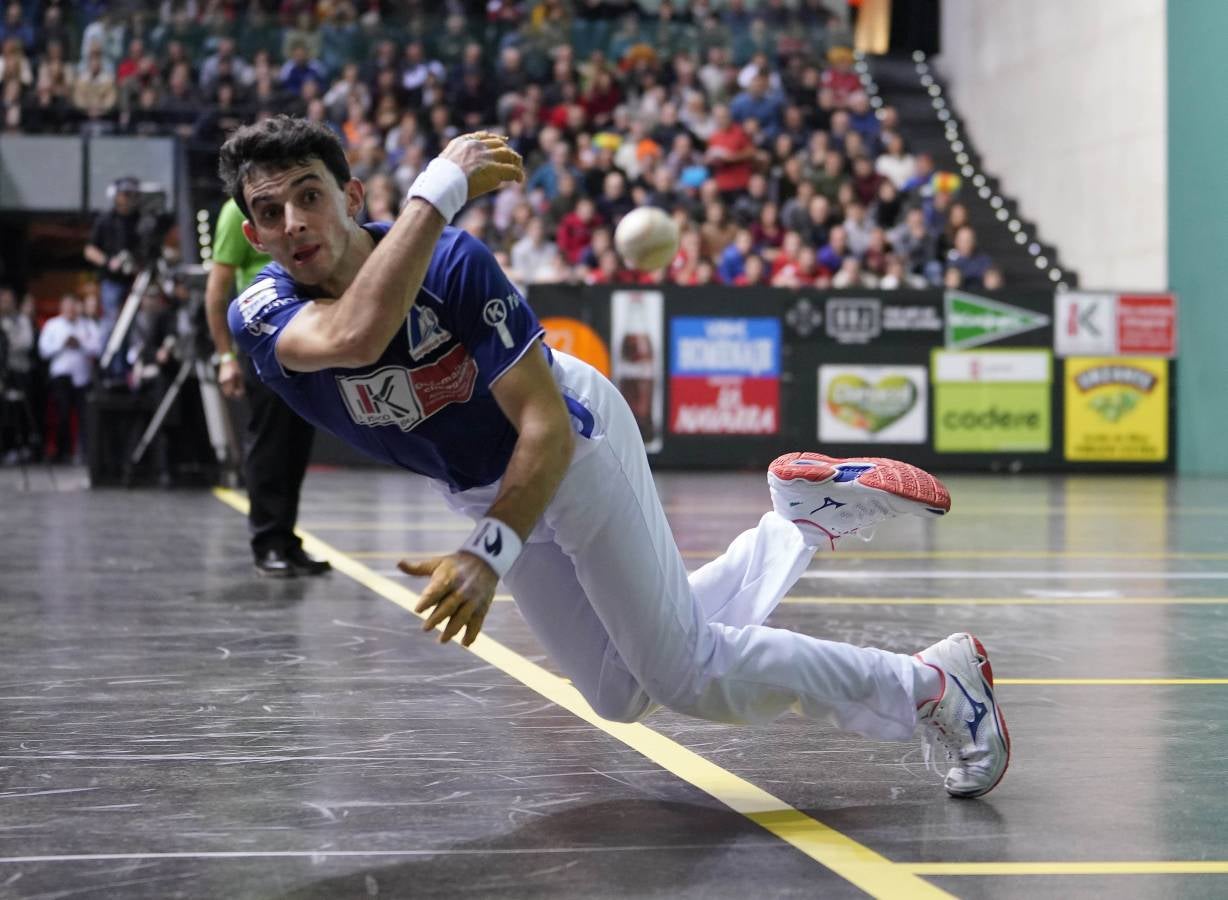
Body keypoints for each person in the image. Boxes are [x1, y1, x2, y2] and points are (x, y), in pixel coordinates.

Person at [219, 116, 1010, 799]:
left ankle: (933, 685)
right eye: (270, 211)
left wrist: (488, 553)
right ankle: (796, 524)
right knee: (617, 690)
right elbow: (354, 335)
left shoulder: (453, 262)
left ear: (353, 198)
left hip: (569, 444)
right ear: (252, 237)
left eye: (311, 196)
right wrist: (440, 186)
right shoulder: (261, 312)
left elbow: (546, 427)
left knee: (683, 672)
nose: (295, 222)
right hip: (482, 483)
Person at [205, 196, 331, 578]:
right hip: (265, 337)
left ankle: (286, 540)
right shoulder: (237, 212)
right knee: (270, 443)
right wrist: (226, 358)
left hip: (304, 335)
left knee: (296, 444)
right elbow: (217, 291)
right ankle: (267, 542)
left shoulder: (299, 207)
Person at [37, 293, 100, 463]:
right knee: (62, 414)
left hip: (82, 377)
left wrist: (80, 344)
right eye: (67, 307)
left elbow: (98, 347)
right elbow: (43, 350)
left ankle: (85, 452)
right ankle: (61, 452)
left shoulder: (87, 325)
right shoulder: (53, 325)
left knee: (84, 416)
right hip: (61, 376)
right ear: (62, 308)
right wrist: (62, 344)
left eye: (73, 307)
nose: (71, 310)